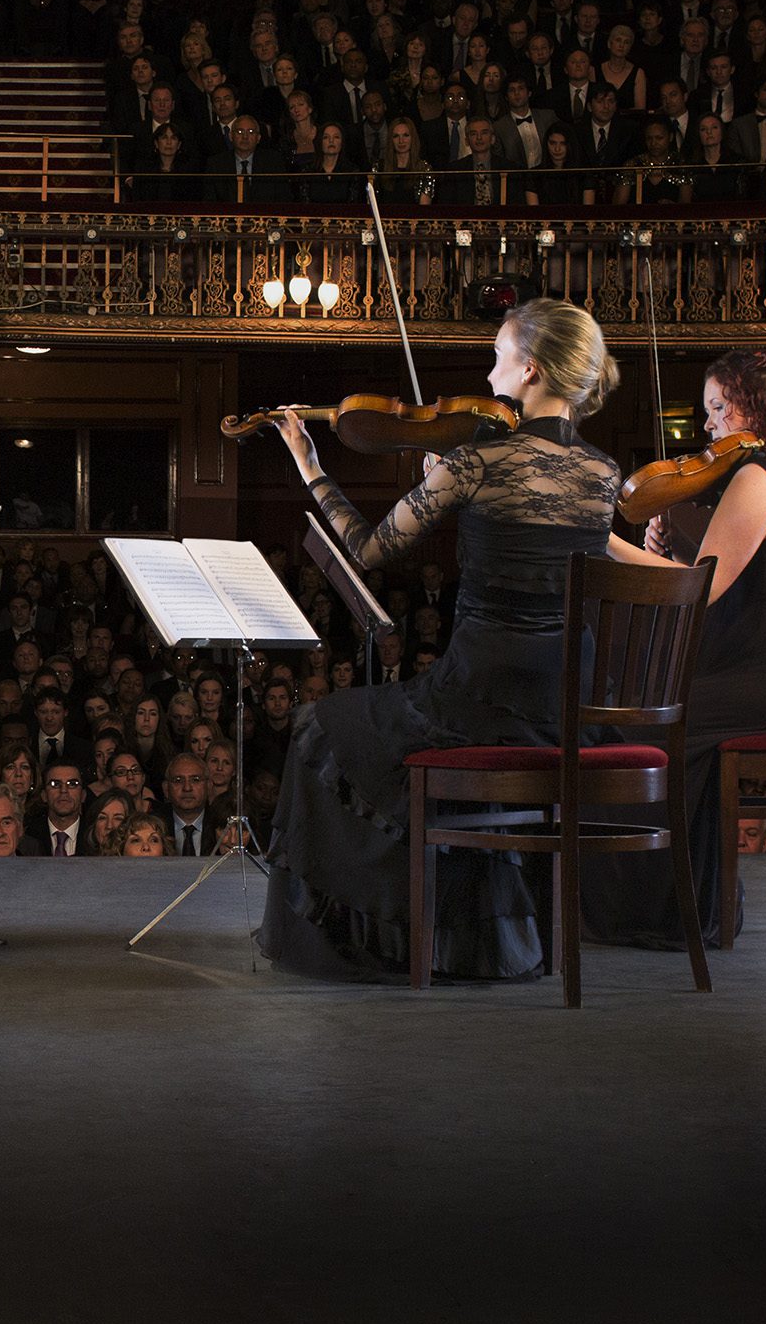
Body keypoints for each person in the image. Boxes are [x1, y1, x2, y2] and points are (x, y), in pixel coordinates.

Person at [258, 299, 627, 982]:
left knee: (320, 724)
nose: (489, 375)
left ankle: (389, 939)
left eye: (497, 356)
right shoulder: (604, 475)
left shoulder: (475, 462)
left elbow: (369, 548)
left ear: (530, 369)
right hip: (562, 705)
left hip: (477, 698)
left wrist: (311, 468)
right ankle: (473, 936)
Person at [584, 349, 766, 950]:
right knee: (651, 717)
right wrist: (675, 551)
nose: (707, 425)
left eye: (718, 408)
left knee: (640, 728)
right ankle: (690, 903)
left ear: (756, 408)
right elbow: (739, 579)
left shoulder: (761, 478)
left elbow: (695, 594)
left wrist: (598, 538)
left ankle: (653, 910)